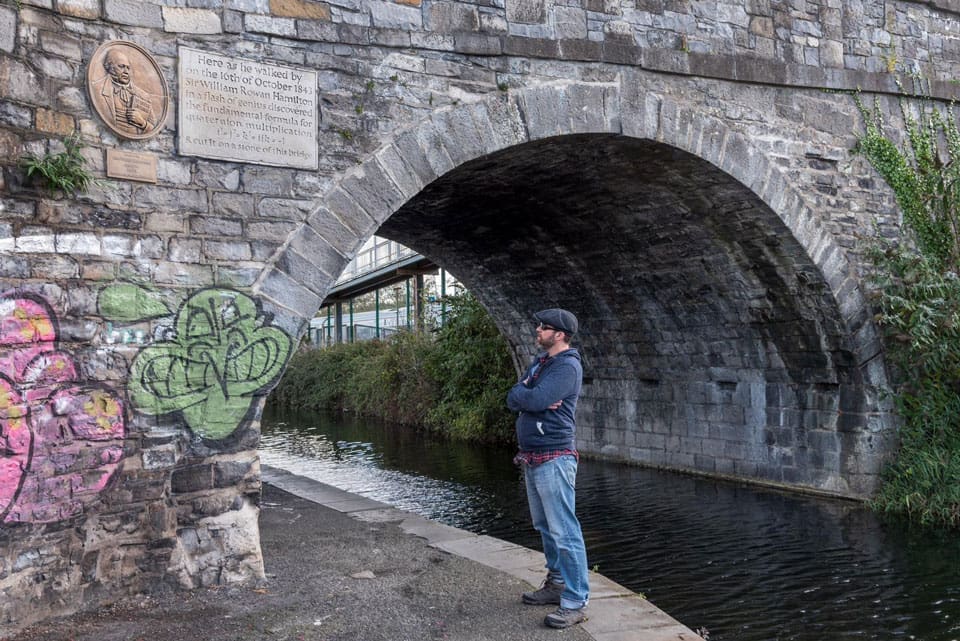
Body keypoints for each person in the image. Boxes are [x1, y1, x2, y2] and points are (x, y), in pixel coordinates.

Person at [506, 308, 589, 629]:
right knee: (545, 526)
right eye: (539, 325)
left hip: (555, 456)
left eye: (544, 327)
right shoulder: (542, 363)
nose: (537, 330)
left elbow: (537, 398)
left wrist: (529, 395)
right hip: (534, 455)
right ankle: (556, 585)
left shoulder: (567, 366)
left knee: (565, 530)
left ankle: (575, 600)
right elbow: (515, 396)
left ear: (560, 334)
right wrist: (526, 395)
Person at [93, 48, 159, 136]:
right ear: (109, 66)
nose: (126, 71)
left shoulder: (143, 96)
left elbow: (154, 129)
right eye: (121, 66)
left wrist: (143, 123)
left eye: (128, 68)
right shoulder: (98, 89)